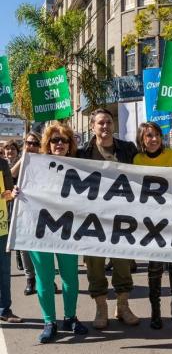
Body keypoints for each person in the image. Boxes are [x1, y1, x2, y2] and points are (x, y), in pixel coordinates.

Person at [16, 122, 88, 343]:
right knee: (45, 279)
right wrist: (18, 191)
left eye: (63, 140)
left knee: (70, 278)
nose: (59, 144)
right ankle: (49, 322)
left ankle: (70, 317)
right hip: (40, 232)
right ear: (47, 143)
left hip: (67, 232)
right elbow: (21, 188)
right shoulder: (33, 165)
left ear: (70, 144)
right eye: (55, 140)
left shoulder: (80, 167)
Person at [77, 108, 139, 329]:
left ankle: (122, 307)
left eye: (108, 122)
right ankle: (101, 308)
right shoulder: (83, 152)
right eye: (101, 123)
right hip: (91, 220)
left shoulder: (128, 149)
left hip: (122, 218)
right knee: (95, 265)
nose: (105, 126)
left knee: (123, 263)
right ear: (92, 127)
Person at [133, 121, 172, 330]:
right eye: (148, 136)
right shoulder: (137, 159)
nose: (153, 139)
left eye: (156, 135)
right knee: (154, 268)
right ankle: (155, 311)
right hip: (151, 221)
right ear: (142, 140)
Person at [11, 132, 42, 296]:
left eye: (35, 144)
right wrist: (24, 158)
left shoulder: (46, 161)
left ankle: (45, 279)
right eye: (29, 143)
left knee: (42, 247)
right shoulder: (20, 160)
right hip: (24, 210)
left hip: (43, 212)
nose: (32, 147)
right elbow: (10, 176)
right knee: (25, 247)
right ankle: (30, 279)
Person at [0, 153, 22, 324]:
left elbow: (7, 194)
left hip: (1, 227)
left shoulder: (2, 164)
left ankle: (4, 309)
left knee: (4, 271)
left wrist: (12, 194)